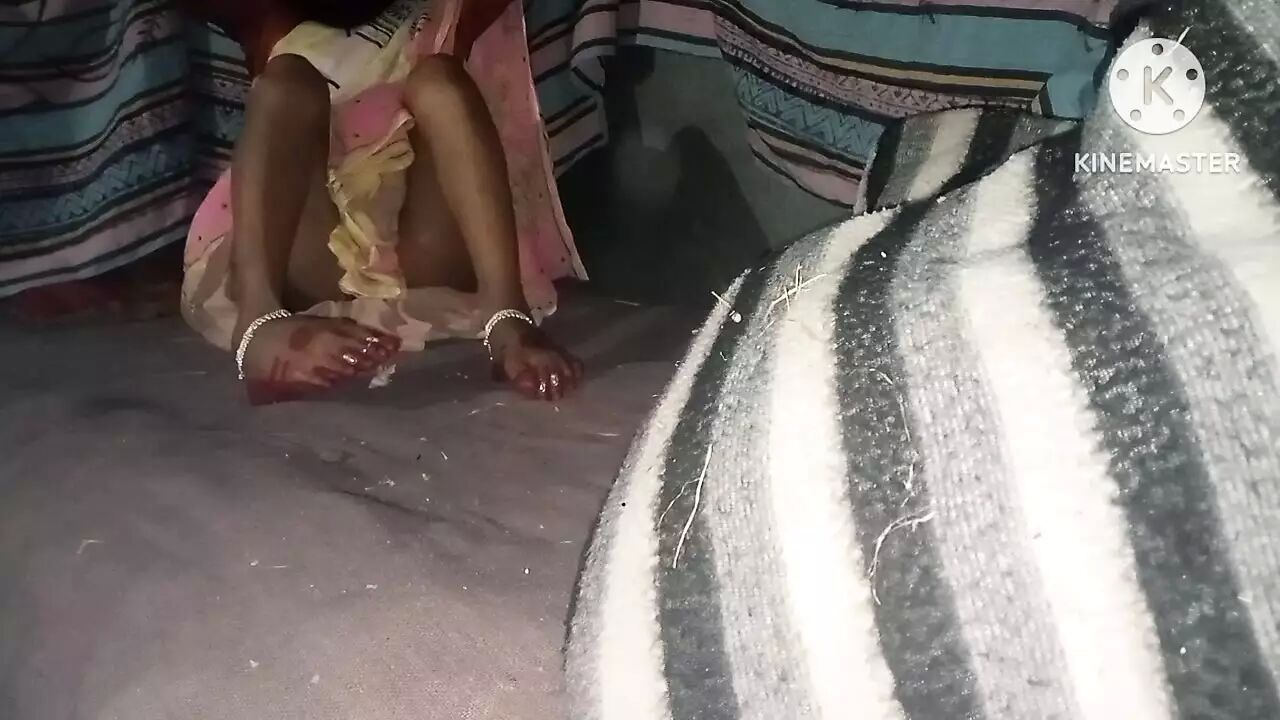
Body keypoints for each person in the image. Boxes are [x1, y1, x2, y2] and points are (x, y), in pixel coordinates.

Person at [178, 0, 585, 405]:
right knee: (285, 80)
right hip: (317, 249)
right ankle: (259, 322)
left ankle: (507, 316)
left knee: (440, 78)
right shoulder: (271, 19)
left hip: (425, 248)